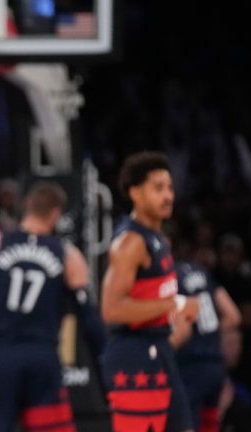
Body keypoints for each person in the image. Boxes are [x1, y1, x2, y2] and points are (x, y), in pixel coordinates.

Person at [0, 181, 89, 432]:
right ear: (56, 213)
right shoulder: (67, 254)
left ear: (27, 206)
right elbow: (88, 317)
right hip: (41, 355)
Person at [100, 152, 199, 432]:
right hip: (134, 360)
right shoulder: (130, 242)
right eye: (158, 188)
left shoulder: (159, 239)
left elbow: (150, 301)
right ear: (135, 193)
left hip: (160, 352)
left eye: (169, 188)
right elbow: (112, 310)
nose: (168, 195)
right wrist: (176, 304)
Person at [170, 259, 241, 432]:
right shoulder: (202, 272)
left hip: (191, 367)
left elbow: (183, 332)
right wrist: (209, 331)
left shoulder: (170, 280)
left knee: (186, 426)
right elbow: (234, 316)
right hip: (215, 366)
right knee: (209, 425)